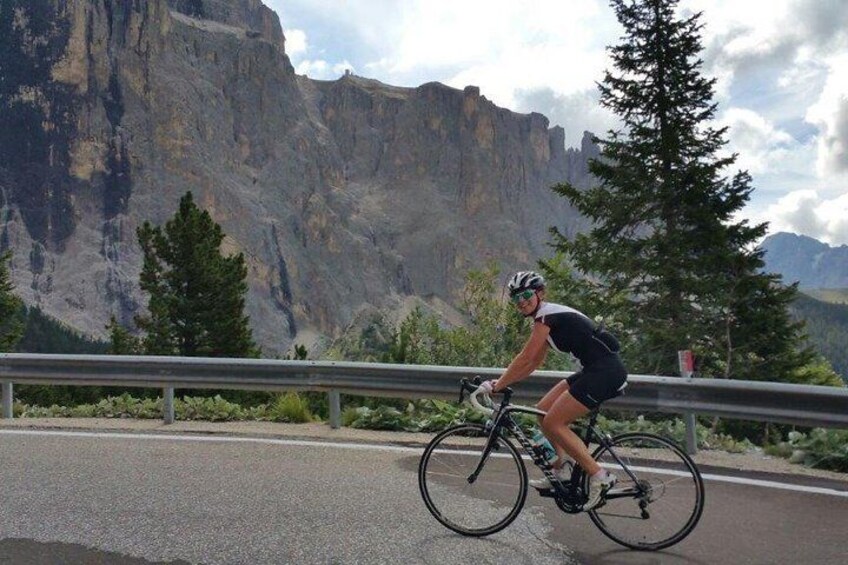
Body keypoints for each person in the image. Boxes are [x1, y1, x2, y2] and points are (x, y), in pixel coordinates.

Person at [482, 270, 628, 509]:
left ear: (540, 294)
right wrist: (504, 383)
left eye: (526, 295)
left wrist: (498, 384)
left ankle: (600, 477)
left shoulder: (545, 317)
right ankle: (564, 470)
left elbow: (525, 356)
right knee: (543, 410)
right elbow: (532, 364)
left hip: (605, 372)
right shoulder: (545, 320)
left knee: (553, 423)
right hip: (595, 369)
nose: (522, 302)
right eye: (516, 298)